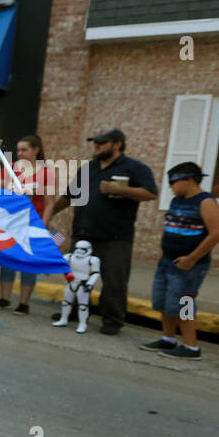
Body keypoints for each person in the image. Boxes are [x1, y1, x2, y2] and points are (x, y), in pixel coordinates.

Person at [44, 128, 158, 335]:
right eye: (95, 142)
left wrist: (121, 190)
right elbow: (70, 196)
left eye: (102, 143)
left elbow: (150, 193)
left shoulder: (134, 168)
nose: (96, 146)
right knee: (76, 277)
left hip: (115, 237)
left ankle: (112, 319)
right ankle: (73, 312)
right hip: (83, 233)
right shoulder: (88, 168)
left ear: (117, 144)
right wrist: (48, 215)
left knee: (114, 281)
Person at [138, 162, 219, 359]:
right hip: (168, 260)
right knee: (164, 301)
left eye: (173, 182)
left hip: (190, 265)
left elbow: (217, 234)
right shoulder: (177, 200)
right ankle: (168, 339)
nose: (171, 186)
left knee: (185, 302)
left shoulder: (205, 202)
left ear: (189, 180)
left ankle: (191, 347)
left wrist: (192, 258)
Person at [0, 135, 52, 314]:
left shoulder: (46, 173)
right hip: (11, 222)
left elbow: (50, 204)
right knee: (8, 260)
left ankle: (24, 303)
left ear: (36, 150)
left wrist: (44, 225)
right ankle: (4, 298)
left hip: (33, 223)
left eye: (24, 150)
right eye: (18, 150)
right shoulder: (11, 169)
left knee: (28, 262)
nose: (20, 154)